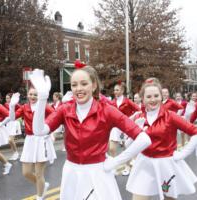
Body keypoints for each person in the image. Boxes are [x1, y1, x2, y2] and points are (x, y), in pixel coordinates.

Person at [29, 67, 151, 200]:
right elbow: (39, 131)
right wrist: (42, 98)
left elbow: (144, 139)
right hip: (72, 172)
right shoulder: (65, 110)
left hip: (98, 173)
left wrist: (115, 162)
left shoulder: (107, 111)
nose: (78, 88)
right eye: (74, 85)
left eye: (84, 83)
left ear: (93, 85)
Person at [126, 78, 197, 200]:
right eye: (148, 97)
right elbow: (128, 145)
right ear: (143, 99)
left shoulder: (171, 116)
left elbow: (195, 132)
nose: (153, 100)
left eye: (156, 95)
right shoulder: (139, 117)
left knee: (169, 197)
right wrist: (136, 130)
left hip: (166, 165)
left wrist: (182, 154)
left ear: (161, 96)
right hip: (145, 164)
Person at [10, 87, 56, 200]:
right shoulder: (24, 107)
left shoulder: (44, 106)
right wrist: (12, 106)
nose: (32, 97)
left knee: (39, 173)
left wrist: (49, 131)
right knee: (26, 172)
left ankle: (40, 197)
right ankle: (43, 185)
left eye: (35, 94)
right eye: (31, 94)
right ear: (28, 95)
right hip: (30, 140)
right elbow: (12, 118)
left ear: (39, 96)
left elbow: (56, 117)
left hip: (42, 140)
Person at [4, 93, 22, 161]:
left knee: (11, 139)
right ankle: (15, 153)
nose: (7, 99)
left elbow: (21, 110)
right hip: (8, 123)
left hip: (15, 122)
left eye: (8, 98)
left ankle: (16, 153)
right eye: (6, 98)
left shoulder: (16, 104)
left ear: (11, 98)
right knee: (9, 140)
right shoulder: (5, 104)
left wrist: (17, 115)